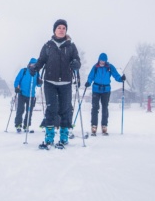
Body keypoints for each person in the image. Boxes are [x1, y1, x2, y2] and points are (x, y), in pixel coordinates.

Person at [29, 19, 81, 148]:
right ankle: (49, 137)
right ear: (54, 30)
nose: (61, 30)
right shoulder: (48, 46)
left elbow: (77, 60)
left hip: (66, 82)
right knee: (51, 109)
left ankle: (64, 137)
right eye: (59, 28)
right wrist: (35, 67)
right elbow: (41, 60)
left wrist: (76, 64)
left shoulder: (71, 46)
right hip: (50, 82)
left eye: (64, 28)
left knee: (65, 109)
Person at [85, 53, 125, 136]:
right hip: (96, 89)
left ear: (106, 61)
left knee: (105, 108)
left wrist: (121, 79)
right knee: (95, 107)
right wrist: (88, 82)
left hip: (106, 90)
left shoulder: (109, 67)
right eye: (101, 60)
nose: (102, 62)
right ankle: (94, 125)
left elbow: (116, 75)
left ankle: (104, 126)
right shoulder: (95, 67)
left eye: (103, 61)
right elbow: (91, 76)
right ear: (99, 60)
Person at [13, 58, 42, 132]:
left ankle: (26, 125)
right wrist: (16, 87)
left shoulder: (37, 73)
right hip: (22, 93)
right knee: (20, 110)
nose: (33, 65)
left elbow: (38, 85)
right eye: (32, 64)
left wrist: (40, 82)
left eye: (35, 64)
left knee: (29, 111)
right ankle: (18, 124)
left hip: (31, 95)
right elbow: (17, 80)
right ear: (29, 64)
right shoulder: (24, 71)